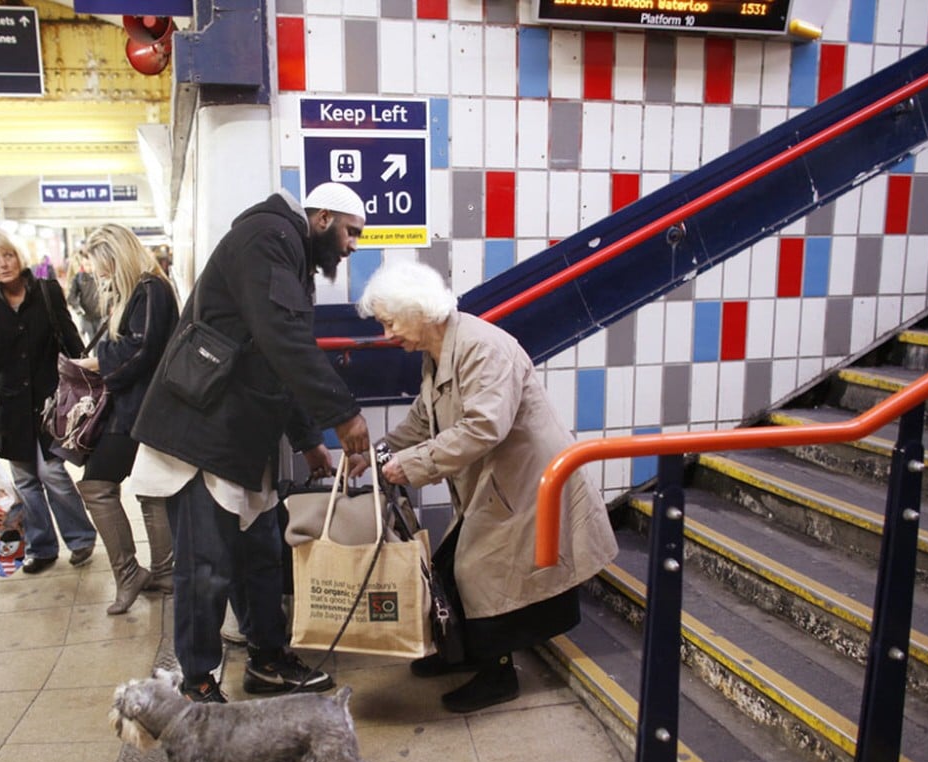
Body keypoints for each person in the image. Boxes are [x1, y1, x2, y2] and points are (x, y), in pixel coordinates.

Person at [131, 182, 372, 703]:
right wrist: (344, 415)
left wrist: (309, 440)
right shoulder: (268, 237)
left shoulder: (288, 253)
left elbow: (274, 356)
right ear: (324, 217)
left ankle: (266, 660)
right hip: (201, 434)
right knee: (207, 567)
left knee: (259, 556)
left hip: (238, 438)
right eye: (353, 232)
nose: (354, 246)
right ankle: (196, 682)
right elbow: (282, 339)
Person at [354, 260, 619, 713]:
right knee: (453, 561)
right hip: (497, 479)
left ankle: (497, 676)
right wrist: (380, 450)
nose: (388, 333)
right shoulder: (438, 350)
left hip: (529, 479)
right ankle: (463, 653)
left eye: (390, 321)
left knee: (480, 568)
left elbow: (484, 428)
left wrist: (411, 465)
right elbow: (424, 417)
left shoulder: (483, 347)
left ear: (419, 310)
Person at [0, 229, 97, 574]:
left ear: (19, 257)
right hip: (9, 407)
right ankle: (43, 547)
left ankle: (81, 538)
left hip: (51, 400)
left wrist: (88, 380)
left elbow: (70, 337)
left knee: (52, 471)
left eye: (7, 255)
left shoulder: (47, 291)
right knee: (25, 480)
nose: (2, 263)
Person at [76, 224, 179, 614]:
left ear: (117, 257)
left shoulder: (150, 289)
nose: (97, 272)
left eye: (101, 263)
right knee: (152, 491)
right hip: (142, 407)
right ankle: (165, 572)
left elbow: (141, 350)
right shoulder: (140, 290)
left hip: (139, 409)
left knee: (97, 486)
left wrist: (96, 363)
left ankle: (130, 574)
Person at [65, 247, 104, 344]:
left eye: (91, 264)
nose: (89, 267)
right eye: (86, 264)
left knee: (101, 342)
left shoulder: (102, 276)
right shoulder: (78, 278)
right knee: (92, 341)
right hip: (87, 317)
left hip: (102, 316)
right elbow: (71, 297)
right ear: (82, 263)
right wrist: (79, 310)